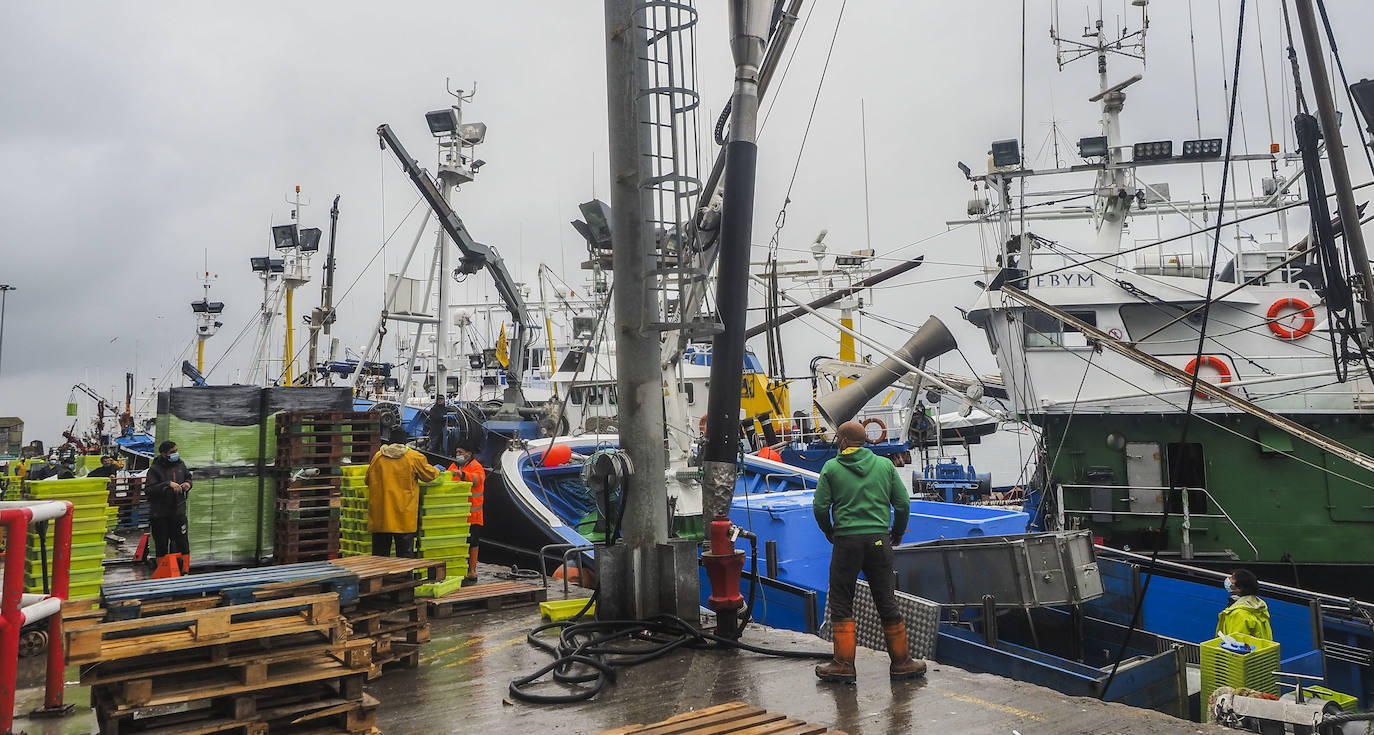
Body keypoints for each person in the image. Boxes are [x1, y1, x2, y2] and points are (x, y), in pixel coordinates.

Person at [812, 420, 925, 683]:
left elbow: (819, 507)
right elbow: (903, 503)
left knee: (842, 601)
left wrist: (829, 530)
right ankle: (902, 662)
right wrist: (896, 532)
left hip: (847, 542)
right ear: (865, 441)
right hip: (878, 541)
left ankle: (843, 664)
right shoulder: (885, 465)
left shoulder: (832, 468)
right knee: (886, 600)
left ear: (842, 441)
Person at [366, 429, 438, 557]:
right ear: (404, 442)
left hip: (381, 516)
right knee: (404, 557)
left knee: (379, 556)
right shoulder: (413, 457)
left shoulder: (378, 457)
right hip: (404, 516)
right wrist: (438, 470)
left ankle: (381, 577)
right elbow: (429, 475)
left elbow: (368, 480)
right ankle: (404, 577)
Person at [146, 440, 192, 566]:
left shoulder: (181, 465)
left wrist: (188, 484)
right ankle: (163, 571)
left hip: (178, 511)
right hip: (160, 514)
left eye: (176, 451)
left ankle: (184, 570)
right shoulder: (155, 469)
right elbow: (149, 489)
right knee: (162, 544)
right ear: (164, 454)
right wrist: (167, 484)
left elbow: (188, 477)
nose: (176, 454)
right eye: (172, 452)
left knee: (182, 542)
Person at [453, 443, 486, 584]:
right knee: (459, 542)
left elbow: (478, 479)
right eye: (457, 452)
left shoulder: (476, 467)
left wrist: (463, 475)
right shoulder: (454, 466)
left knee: (473, 542)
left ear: (469, 454)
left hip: (473, 514)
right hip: (458, 512)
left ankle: (472, 570)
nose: (458, 455)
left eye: (460, 452)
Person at [1217, 568, 1273, 641]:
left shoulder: (1239, 614)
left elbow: (1236, 644)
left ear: (1239, 588)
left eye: (1232, 578)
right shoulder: (1257, 606)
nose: (1228, 579)